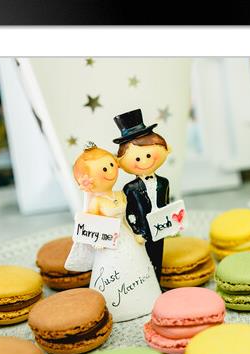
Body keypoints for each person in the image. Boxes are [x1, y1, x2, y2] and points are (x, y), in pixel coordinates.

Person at [65, 142, 161, 322]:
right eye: (103, 169)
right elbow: (92, 224)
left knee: (139, 265)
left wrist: (135, 234)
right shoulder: (97, 203)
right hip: (109, 246)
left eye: (110, 165)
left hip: (127, 237)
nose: (110, 170)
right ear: (88, 181)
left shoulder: (120, 194)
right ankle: (119, 308)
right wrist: (98, 241)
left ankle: (147, 299)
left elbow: (126, 218)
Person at [113, 109, 171, 281]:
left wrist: (172, 224)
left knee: (158, 257)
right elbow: (129, 212)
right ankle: (149, 284)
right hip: (143, 234)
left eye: (148, 155)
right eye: (137, 159)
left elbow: (167, 205)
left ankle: (158, 281)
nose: (144, 161)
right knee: (144, 260)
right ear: (121, 163)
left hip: (161, 229)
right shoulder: (130, 188)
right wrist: (137, 231)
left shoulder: (163, 183)